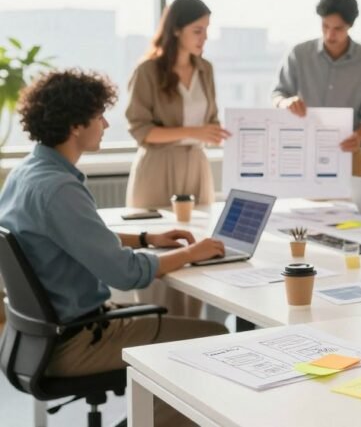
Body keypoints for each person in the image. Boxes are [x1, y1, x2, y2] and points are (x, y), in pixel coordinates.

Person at [0, 69, 226, 427]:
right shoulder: (59, 189)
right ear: (76, 125)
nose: (106, 124)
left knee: (180, 331)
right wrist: (189, 254)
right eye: (98, 115)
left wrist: (147, 239)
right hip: (76, 340)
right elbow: (126, 273)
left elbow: (71, 237)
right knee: (215, 341)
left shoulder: (27, 173)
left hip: (41, 338)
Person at [125, 0, 230, 208]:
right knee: (156, 234)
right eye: (197, 30)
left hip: (197, 166)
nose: (205, 37)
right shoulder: (147, 71)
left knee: (201, 235)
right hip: (158, 167)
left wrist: (217, 133)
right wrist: (193, 132)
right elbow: (141, 130)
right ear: (176, 30)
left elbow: (211, 120)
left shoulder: (205, 69)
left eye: (207, 30)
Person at [272, 0, 361, 177]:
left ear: (350, 26)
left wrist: (359, 135)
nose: (330, 34)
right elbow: (278, 93)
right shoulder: (298, 54)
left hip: (348, 153)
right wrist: (286, 103)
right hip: (301, 152)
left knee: (350, 206)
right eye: (325, 26)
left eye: (338, 28)